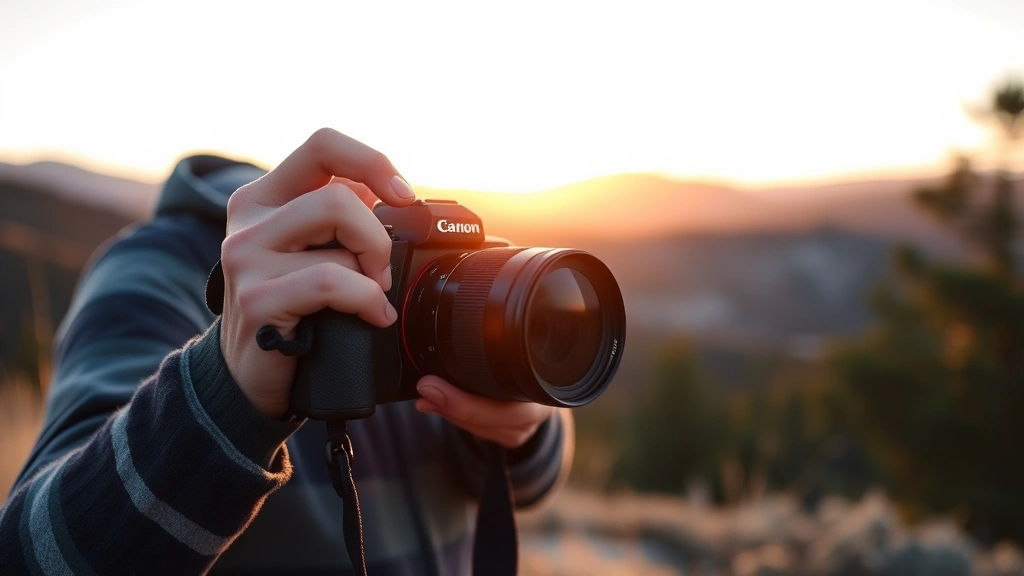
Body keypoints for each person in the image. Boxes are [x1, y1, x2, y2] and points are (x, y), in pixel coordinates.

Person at [0, 128, 573, 574]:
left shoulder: (405, 260)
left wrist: (521, 421)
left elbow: (531, 480)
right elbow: (33, 558)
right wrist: (224, 389)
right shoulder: (154, 269)